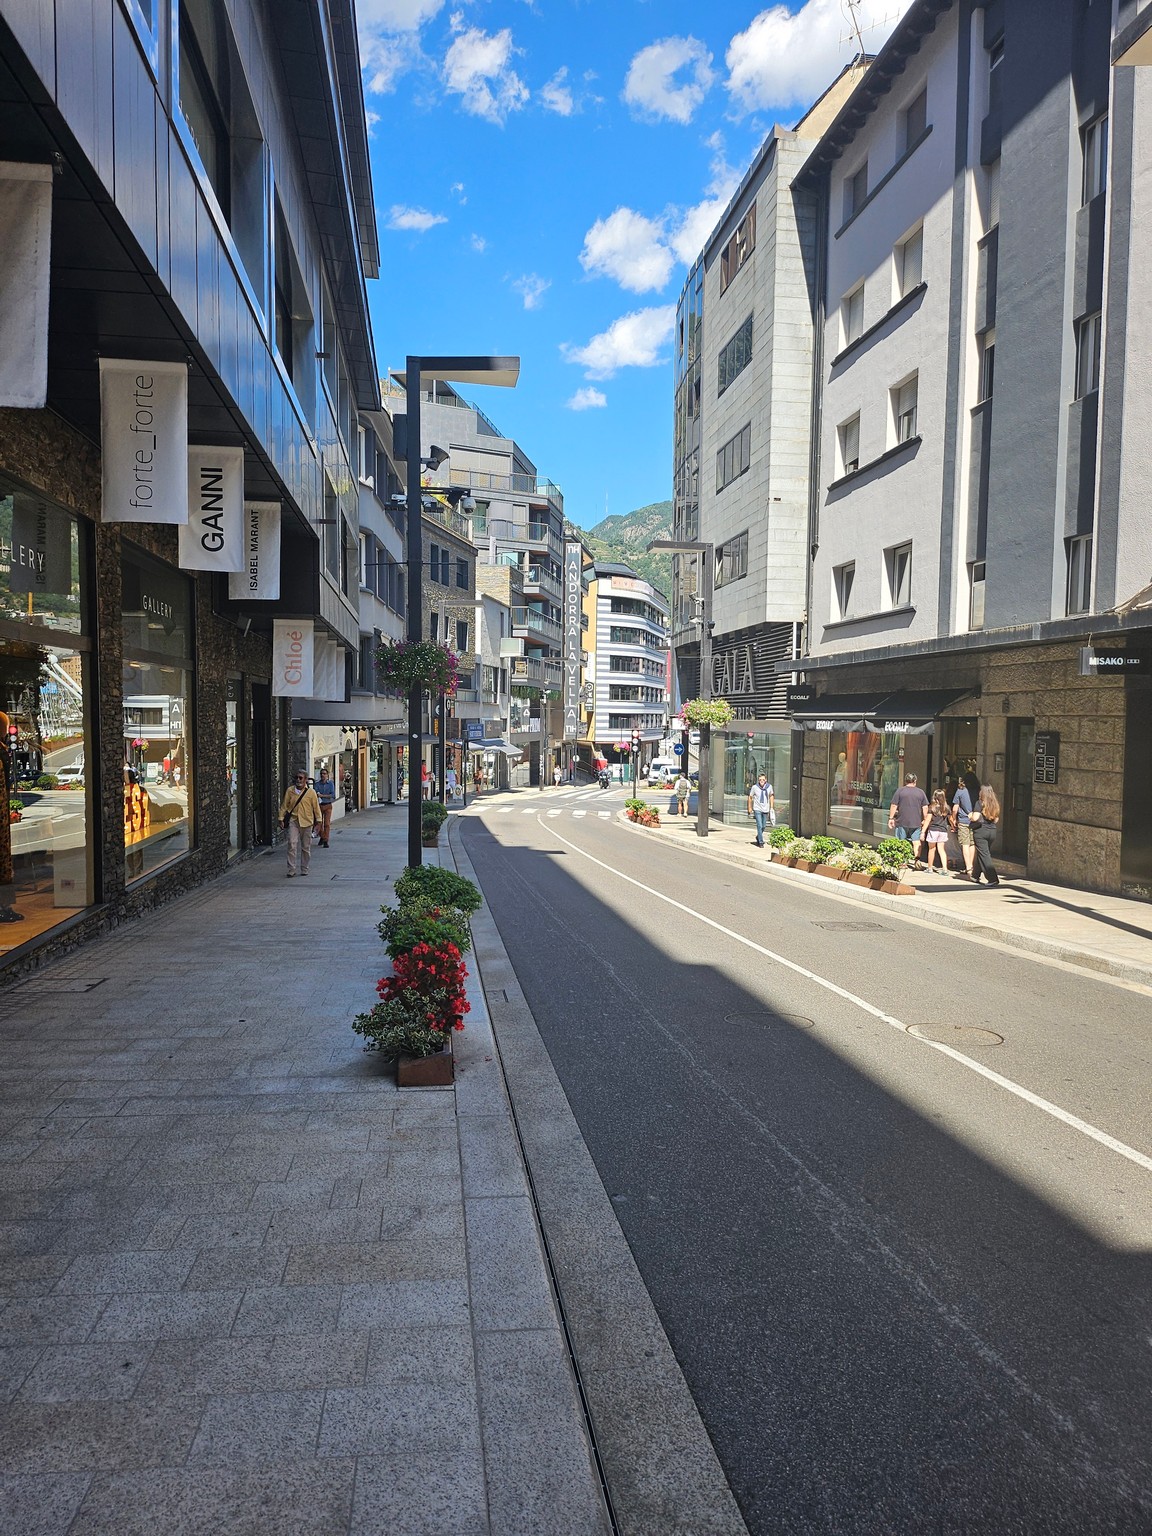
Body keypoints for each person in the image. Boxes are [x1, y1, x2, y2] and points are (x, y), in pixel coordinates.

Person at [279, 770, 322, 877]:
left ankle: (304, 868)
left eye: (301, 778)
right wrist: (280, 818)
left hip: (307, 822)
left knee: (306, 847)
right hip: (294, 821)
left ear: (305, 780)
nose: (298, 780)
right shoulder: (290, 791)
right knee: (292, 844)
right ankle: (291, 869)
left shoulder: (311, 792)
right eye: (297, 777)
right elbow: (284, 806)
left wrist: (319, 821)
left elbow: (316, 808)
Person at [888, 772, 928, 869]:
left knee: (901, 841)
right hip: (916, 822)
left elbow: (894, 805)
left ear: (905, 781)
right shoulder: (920, 792)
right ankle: (917, 860)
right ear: (915, 781)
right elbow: (925, 807)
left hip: (902, 821)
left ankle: (903, 862)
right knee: (916, 842)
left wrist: (891, 818)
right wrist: (925, 819)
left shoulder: (900, 791)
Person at [950, 770, 981, 879]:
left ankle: (968, 867)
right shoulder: (978, 791)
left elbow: (955, 808)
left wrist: (953, 819)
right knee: (972, 843)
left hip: (963, 820)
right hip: (975, 821)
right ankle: (971, 865)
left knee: (965, 844)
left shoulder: (960, 790)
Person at [969, 784, 1002, 885]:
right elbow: (996, 819)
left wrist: (970, 815)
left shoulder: (979, 803)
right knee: (982, 852)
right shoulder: (995, 804)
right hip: (992, 831)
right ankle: (975, 875)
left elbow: (975, 817)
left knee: (984, 854)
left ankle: (993, 878)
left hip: (981, 831)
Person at [920, 789, 952, 875]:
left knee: (932, 849)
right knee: (941, 849)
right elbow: (950, 819)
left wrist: (923, 831)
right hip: (943, 831)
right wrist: (953, 826)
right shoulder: (947, 808)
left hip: (933, 830)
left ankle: (930, 868)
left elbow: (927, 820)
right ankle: (945, 869)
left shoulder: (932, 808)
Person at [747, 773, 775, 847]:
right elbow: (750, 797)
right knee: (759, 825)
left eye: (763, 779)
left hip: (765, 809)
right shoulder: (755, 787)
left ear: (766, 780)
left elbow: (771, 795)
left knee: (763, 826)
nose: (761, 781)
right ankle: (761, 842)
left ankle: (758, 836)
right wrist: (749, 808)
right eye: (760, 780)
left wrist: (771, 807)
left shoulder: (769, 787)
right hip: (757, 809)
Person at [315, 765, 336, 847]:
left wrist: (322, 795)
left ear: (327, 775)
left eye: (324, 773)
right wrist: (322, 795)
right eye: (321, 774)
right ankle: (323, 837)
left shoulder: (330, 784)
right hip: (319, 806)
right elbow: (315, 794)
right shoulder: (317, 784)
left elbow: (332, 795)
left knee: (326, 824)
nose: (323, 775)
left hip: (328, 805)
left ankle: (325, 841)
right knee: (318, 823)